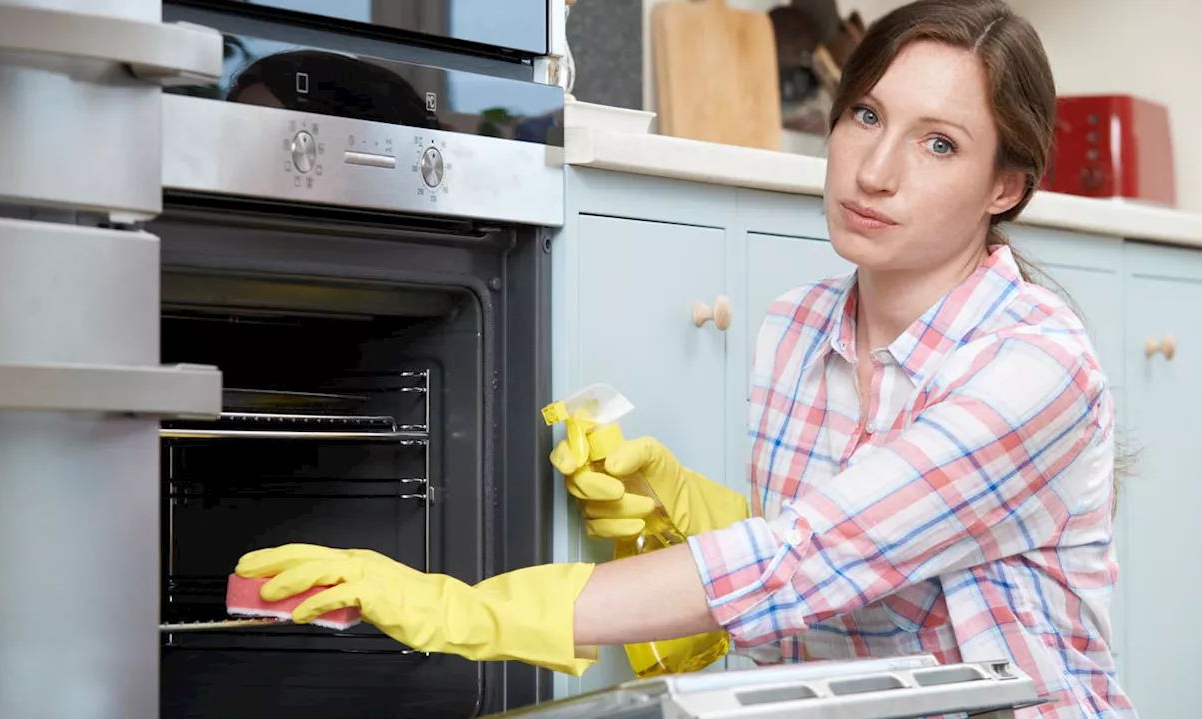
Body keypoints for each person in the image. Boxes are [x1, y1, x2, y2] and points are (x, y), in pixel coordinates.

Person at [234, 0, 1135, 715]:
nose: (876, 169)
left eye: (939, 143)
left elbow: (807, 559)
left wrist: (467, 608)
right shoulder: (798, 327)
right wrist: (678, 504)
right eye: (867, 115)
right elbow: (831, 547)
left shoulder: (1035, 367)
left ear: (1006, 185)